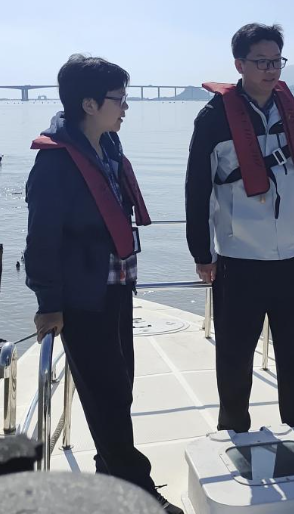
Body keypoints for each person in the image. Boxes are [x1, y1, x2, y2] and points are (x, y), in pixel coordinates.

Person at [24, 54, 182, 514]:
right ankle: (138, 492)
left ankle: (109, 475)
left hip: (116, 286)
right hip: (82, 297)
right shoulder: (55, 163)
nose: (126, 107)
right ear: (89, 104)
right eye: (119, 99)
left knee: (120, 387)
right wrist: (49, 303)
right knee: (107, 395)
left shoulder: (106, 147)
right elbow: (41, 239)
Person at [185, 23, 294, 433]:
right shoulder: (213, 118)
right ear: (240, 64)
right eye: (261, 62)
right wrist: (202, 253)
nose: (271, 70)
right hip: (240, 258)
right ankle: (234, 431)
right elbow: (198, 188)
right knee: (234, 356)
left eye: (277, 61)